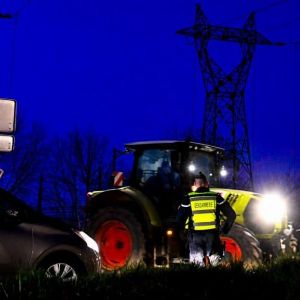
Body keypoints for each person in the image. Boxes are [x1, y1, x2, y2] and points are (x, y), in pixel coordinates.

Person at [176, 171, 236, 266]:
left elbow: (179, 219)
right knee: (214, 264)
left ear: (195, 185)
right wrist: (225, 230)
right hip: (213, 236)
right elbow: (232, 215)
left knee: (197, 266)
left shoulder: (188, 198)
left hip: (195, 237)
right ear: (207, 183)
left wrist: (181, 233)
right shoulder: (216, 197)